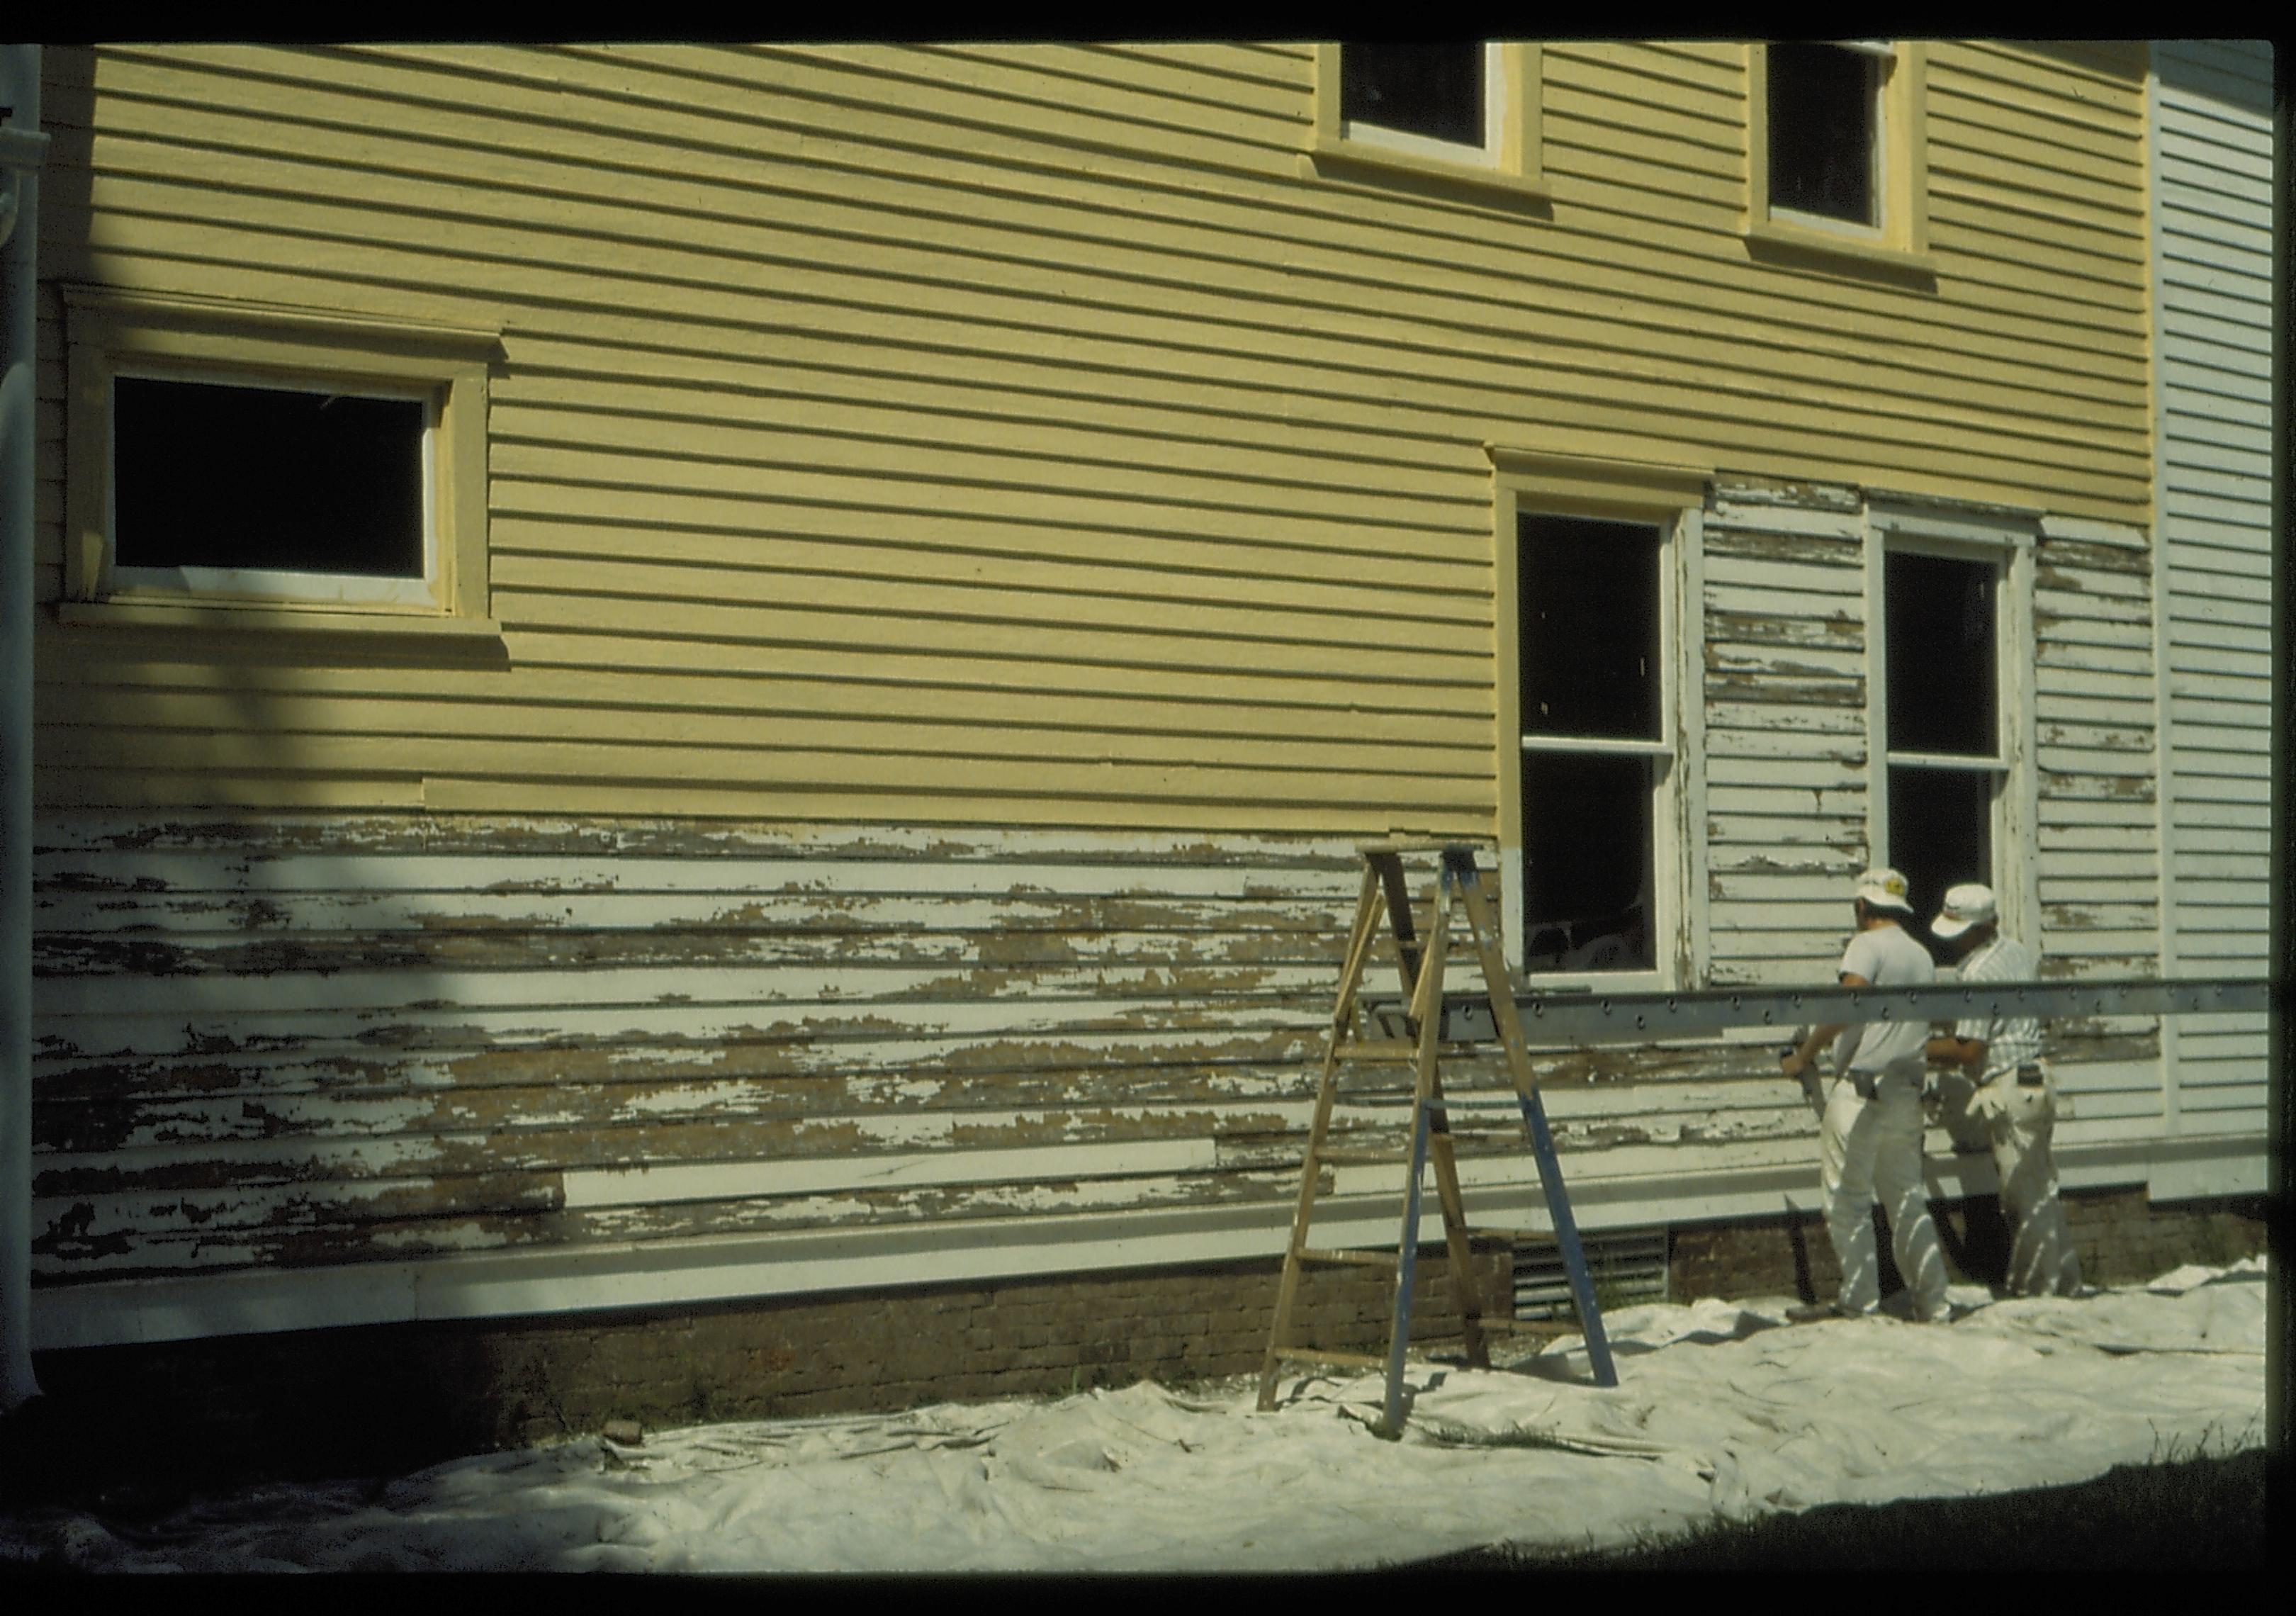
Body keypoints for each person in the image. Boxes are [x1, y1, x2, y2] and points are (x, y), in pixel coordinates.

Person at [1779, 868, 1953, 1323]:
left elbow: (1848, 1002)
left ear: (1862, 907)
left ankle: (1859, 1302)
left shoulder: (1865, 945)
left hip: (1862, 1088)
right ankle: (1934, 1302)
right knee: (1907, 1200)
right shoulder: (1921, 956)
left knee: (1847, 1200)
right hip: (1906, 1091)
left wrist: (1806, 1055)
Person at [1923, 883, 2083, 1298]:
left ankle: (2038, 1292)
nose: (1955, 941)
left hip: (2010, 1086)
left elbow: (1970, 1048)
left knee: (2022, 1199)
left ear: (1980, 929)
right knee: (2042, 1190)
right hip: (2038, 1081)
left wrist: (1915, 1049)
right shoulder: (2015, 952)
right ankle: (2064, 1282)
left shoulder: (1978, 973)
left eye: (1961, 932)